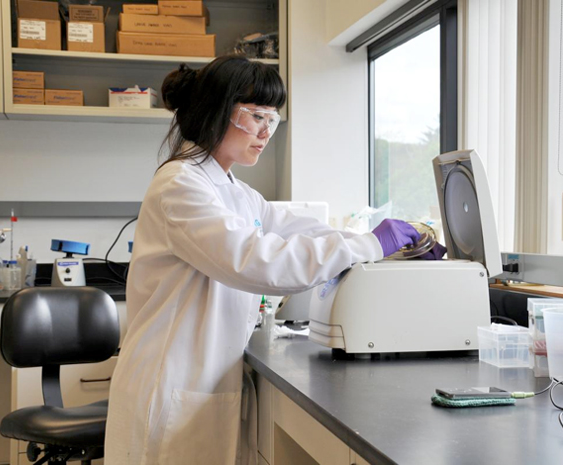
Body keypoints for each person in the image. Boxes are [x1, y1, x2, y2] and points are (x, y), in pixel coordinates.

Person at [104, 55, 425, 465]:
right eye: (256, 116)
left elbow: (292, 228)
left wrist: (378, 242)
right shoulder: (181, 184)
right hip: (169, 384)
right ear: (217, 110)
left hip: (199, 383)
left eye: (272, 121)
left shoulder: (233, 189)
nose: (265, 132)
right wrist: (368, 246)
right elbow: (259, 262)